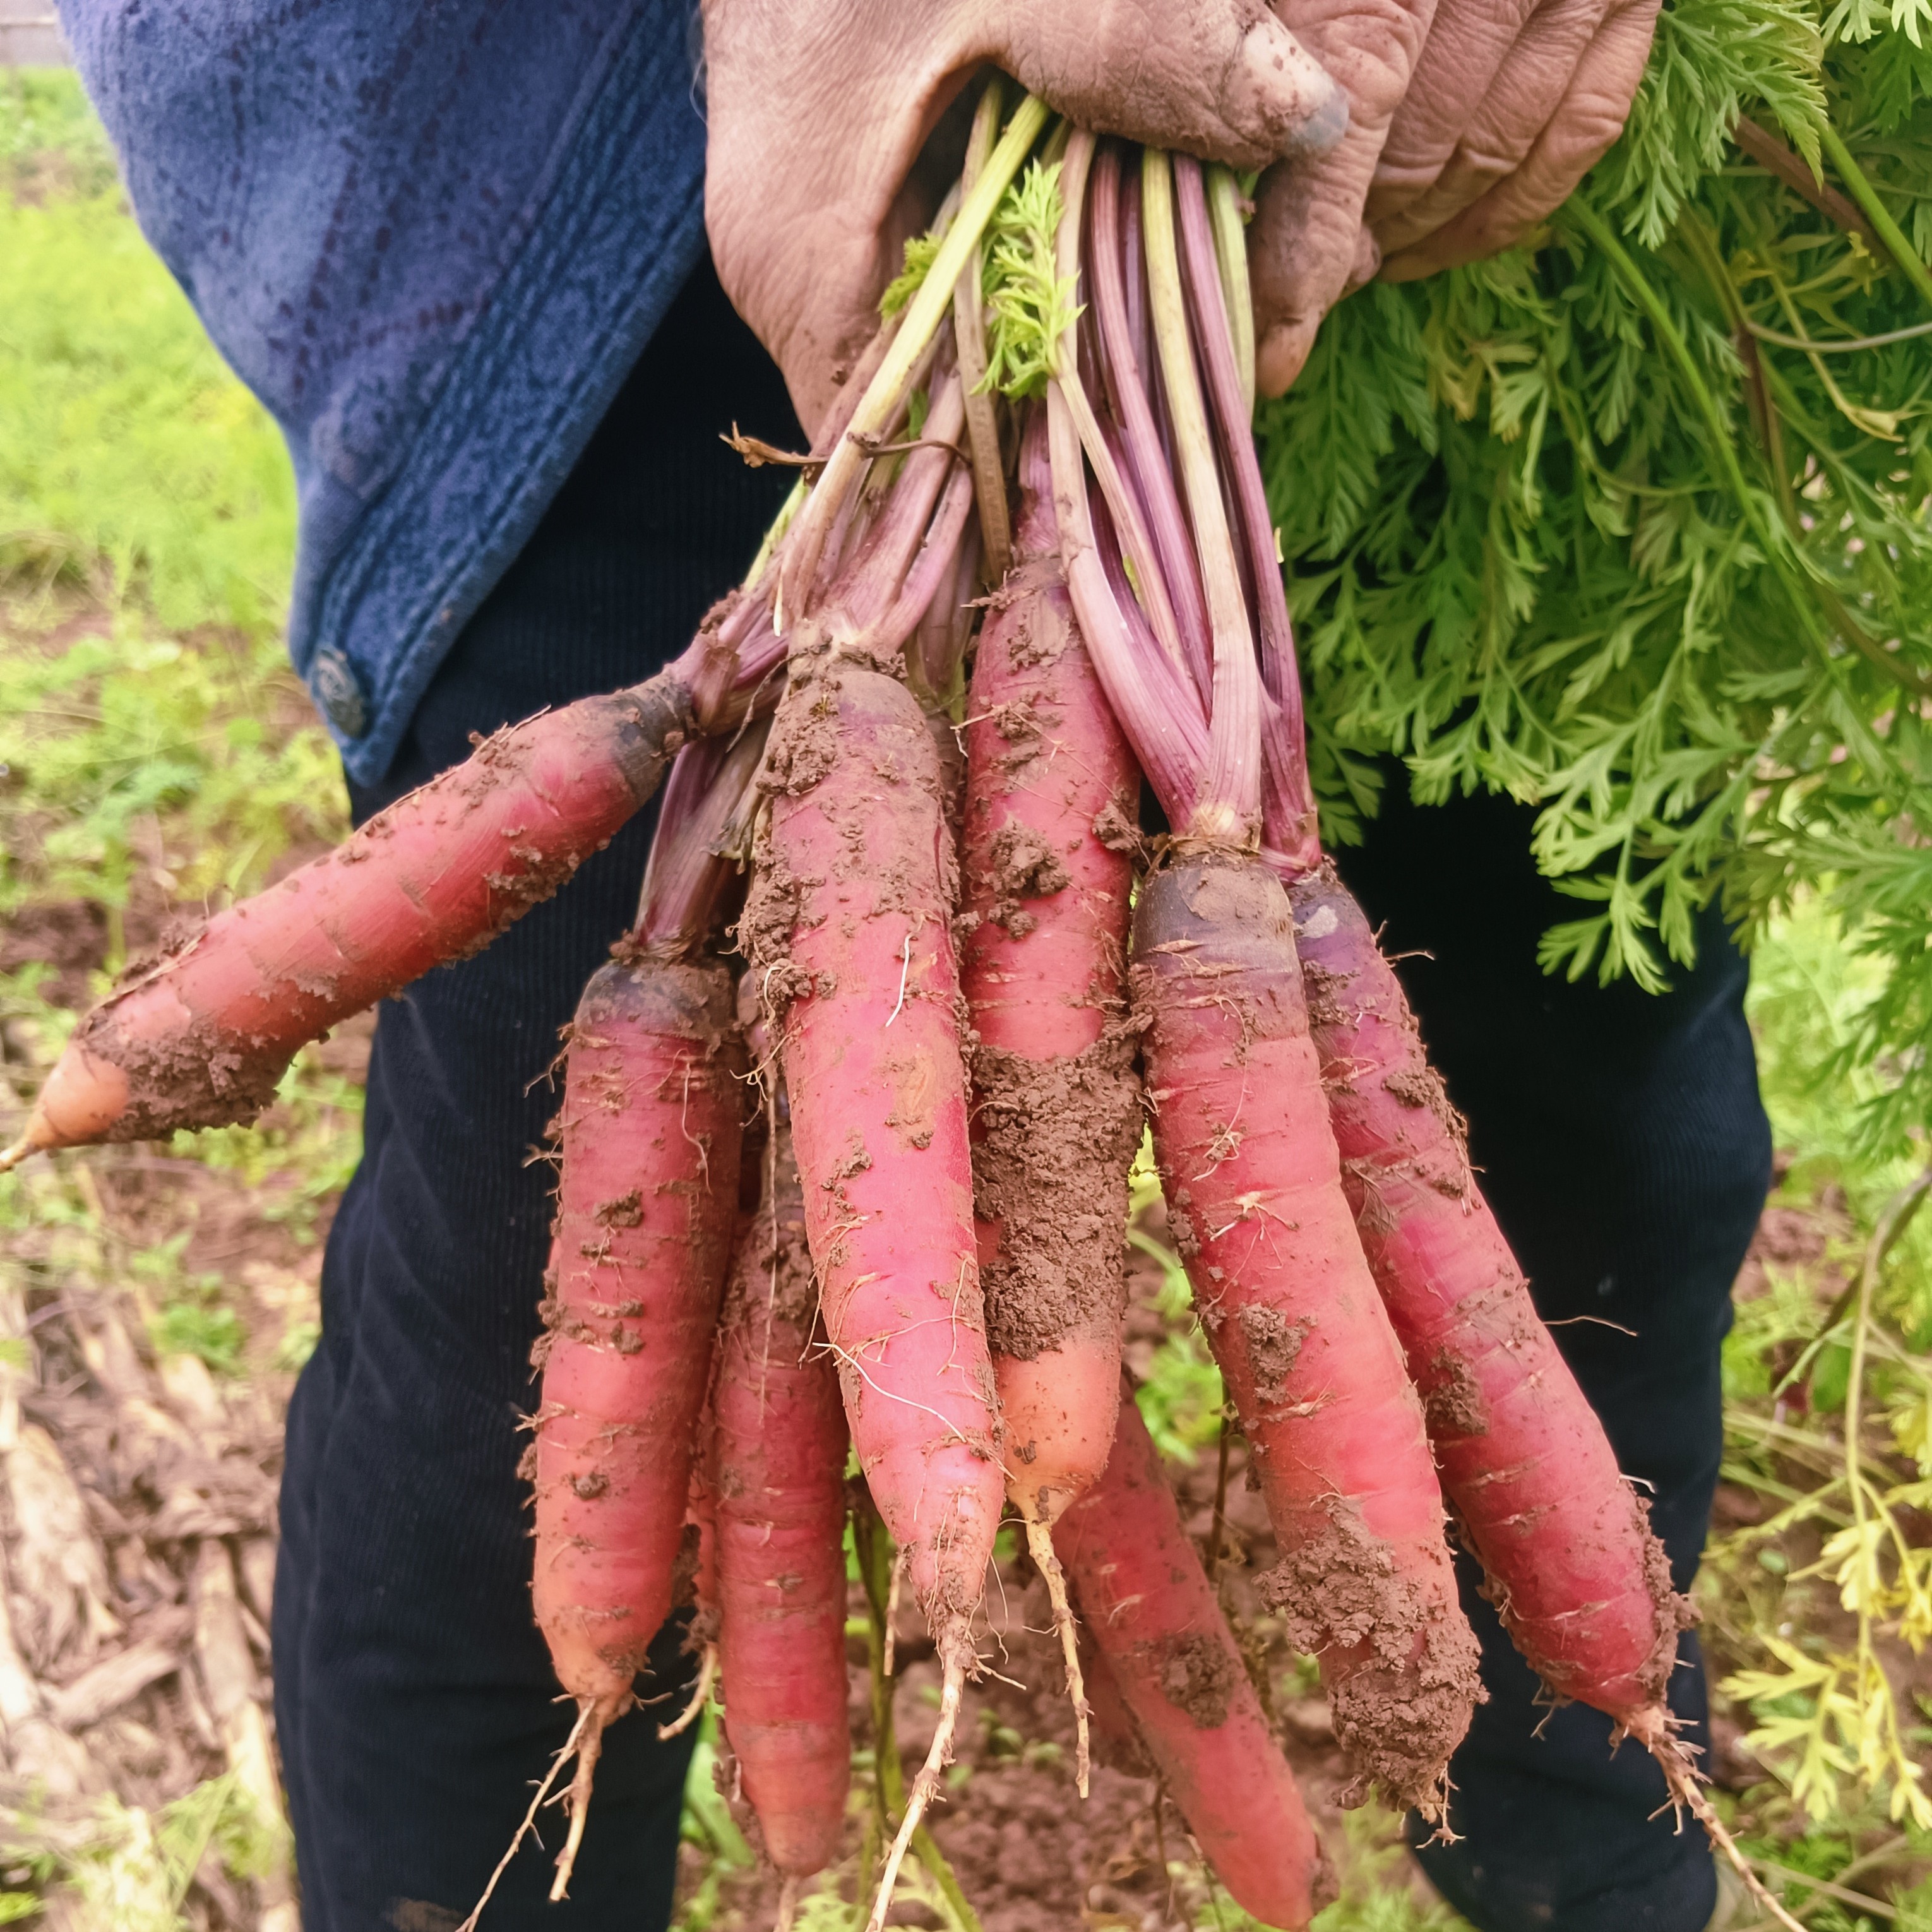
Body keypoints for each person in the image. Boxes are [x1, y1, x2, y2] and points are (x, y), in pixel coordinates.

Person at [52, 4, 1760, 1928]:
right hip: (606, 183)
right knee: (509, 1330)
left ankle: (1590, 1843)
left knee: (1590, 1152)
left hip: (1458, 205)